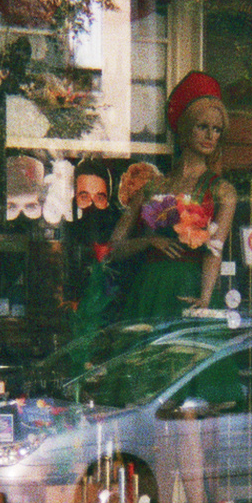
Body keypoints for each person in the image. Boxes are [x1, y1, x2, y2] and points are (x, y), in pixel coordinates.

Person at [102, 70, 238, 324]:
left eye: (217, 130)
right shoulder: (151, 188)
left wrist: (205, 298)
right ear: (186, 128)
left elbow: (214, 251)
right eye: (203, 126)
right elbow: (113, 249)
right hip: (150, 290)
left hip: (191, 287)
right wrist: (148, 241)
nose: (211, 136)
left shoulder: (222, 191)